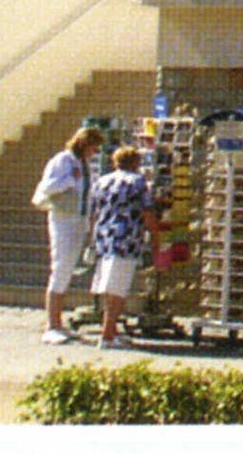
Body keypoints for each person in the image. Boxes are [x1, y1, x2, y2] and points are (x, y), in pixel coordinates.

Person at [36, 125, 103, 343]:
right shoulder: (62, 161)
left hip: (78, 220)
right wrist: (69, 180)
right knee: (60, 267)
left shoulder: (85, 165)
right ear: (84, 144)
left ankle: (58, 322)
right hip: (62, 219)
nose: (95, 152)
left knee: (67, 269)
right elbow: (48, 187)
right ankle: (51, 324)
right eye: (93, 147)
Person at [85, 144, 155, 349]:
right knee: (118, 288)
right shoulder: (137, 182)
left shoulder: (102, 181)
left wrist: (92, 239)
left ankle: (112, 330)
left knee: (109, 286)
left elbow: (94, 211)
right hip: (127, 237)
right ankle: (107, 335)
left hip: (105, 236)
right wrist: (155, 236)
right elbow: (147, 211)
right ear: (135, 162)